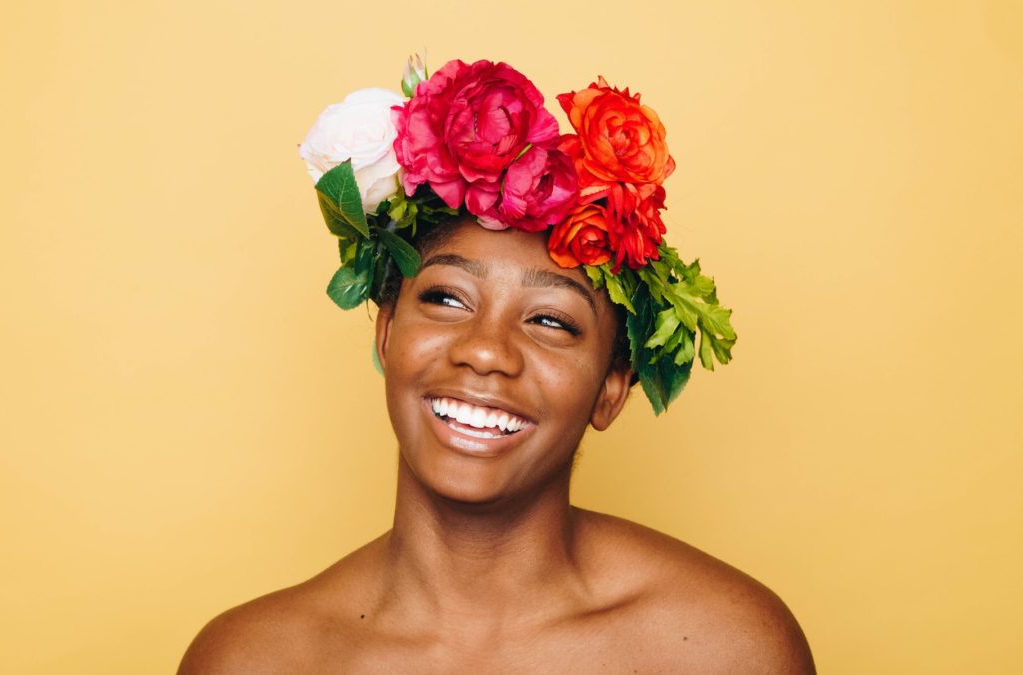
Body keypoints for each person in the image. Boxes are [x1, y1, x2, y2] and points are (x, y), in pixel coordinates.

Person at [179, 57, 816, 673]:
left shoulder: (723, 649)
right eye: (447, 298)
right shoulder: (250, 660)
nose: (485, 349)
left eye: (550, 321)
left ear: (611, 390)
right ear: (387, 331)